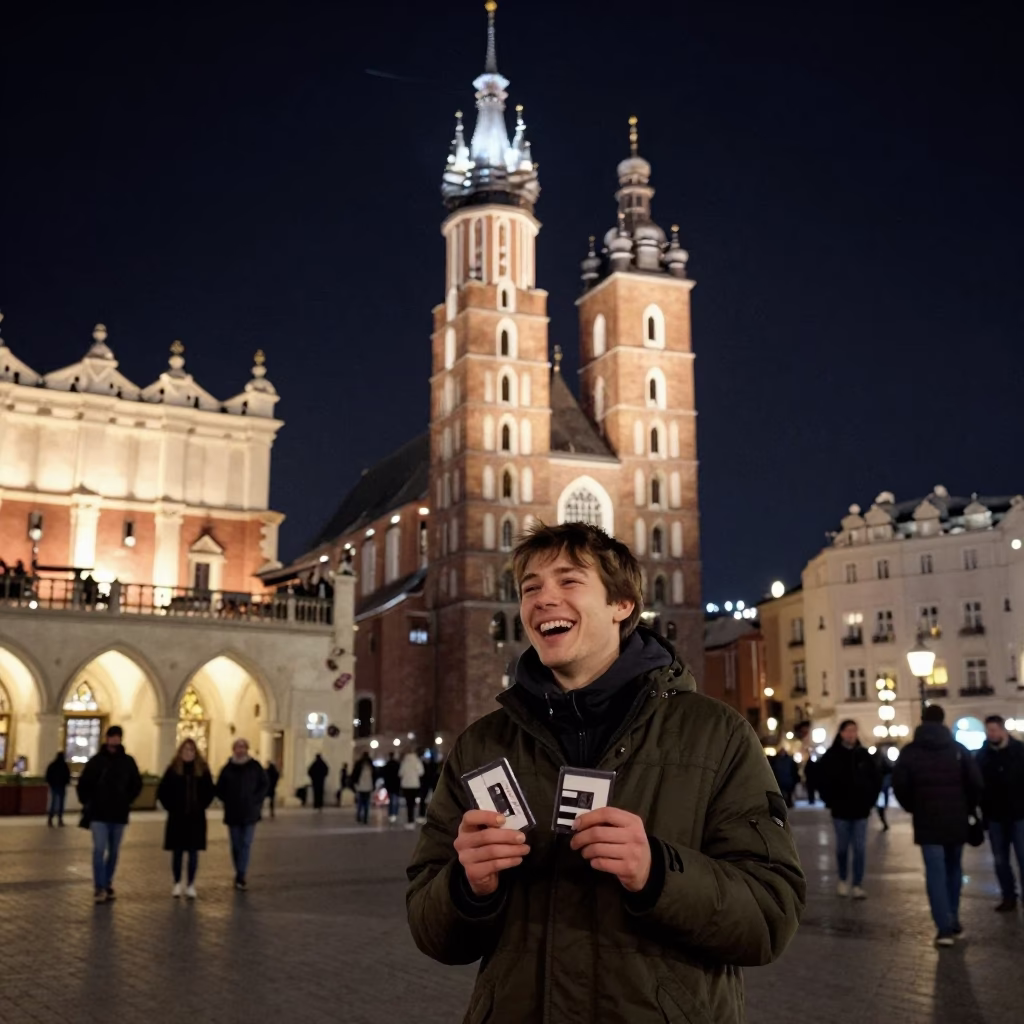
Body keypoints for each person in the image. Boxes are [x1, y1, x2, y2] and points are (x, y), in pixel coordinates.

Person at [407, 523, 805, 1021]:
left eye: (569, 582)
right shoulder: (484, 745)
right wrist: (467, 887)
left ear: (622, 605)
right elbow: (430, 928)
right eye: (530, 588)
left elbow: (771, 914)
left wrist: (659, 872)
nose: (543, 598)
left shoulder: (714, 735)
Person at [893, 704, 983, 946]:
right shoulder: (958, 749)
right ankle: (953, 916)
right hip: (956, 819)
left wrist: (915, 806)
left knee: (935, 873)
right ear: (943, 721)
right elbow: (975, 783)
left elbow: (899, 784)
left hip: (927, 820)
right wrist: (967, 807)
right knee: (954, 868)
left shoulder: (910, 751)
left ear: (922, 721)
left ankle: (943, 928)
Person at [76, 725, 142, 904]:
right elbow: (83, 784)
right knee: (99, 850)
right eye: (111, 736)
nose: (114, 740)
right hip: (98, 813)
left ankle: (107, 881)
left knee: (113, 852)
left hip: (119, 814)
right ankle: (99, 886)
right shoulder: (96, 761)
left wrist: (127, 800)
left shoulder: (128, 761)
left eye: (117, 737)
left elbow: (137, 783)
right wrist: (88, 802)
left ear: (120, 739)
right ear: (106, 739)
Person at [817, 720, 881, 898]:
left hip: (861, 809)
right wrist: (829, 799)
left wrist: (870, 800)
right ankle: (843, 879)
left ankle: (857, 883)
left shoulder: (863, 755)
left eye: (854, 730)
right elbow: (822, 779)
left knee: (860, 848)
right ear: (842, 733)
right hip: (841, 810)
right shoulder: (832, 755)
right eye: (848, 731)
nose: (852, 734)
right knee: (842, 848)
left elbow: (876, 779)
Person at [975, 715, 1024, 912]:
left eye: (994, 730)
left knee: (1023, 858)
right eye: (988, 731)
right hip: (995, 815)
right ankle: (1008, 896)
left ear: (1003, 730)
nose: (991, 734)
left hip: (1020, 814)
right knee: (1000, 860)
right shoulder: (983, 755)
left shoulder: (1020, 751)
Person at [157, 738, 215, 898]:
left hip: (195, 819)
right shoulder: (173, 770)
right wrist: (171, 806)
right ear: (180, 752)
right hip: (177, 818)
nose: (188, 753)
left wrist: (201, 805)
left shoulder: (202, 770)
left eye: (191, 750)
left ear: (195, 752)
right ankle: (176, 883)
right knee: (177, 853)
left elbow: (210, 791)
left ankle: (190, 884)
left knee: (193, 853)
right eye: (185, 750)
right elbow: (163, 791)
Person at [215, 739, 269, 891]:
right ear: (233, 750)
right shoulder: (227, 768)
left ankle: (241, 874)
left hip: (250, 812)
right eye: (237, 747)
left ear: (247, 749)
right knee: (236, 845)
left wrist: (256, 799)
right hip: (233, 812)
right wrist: (228, 799)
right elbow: (219, 788)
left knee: (246, 843)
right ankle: (239, 871)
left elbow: (264, 784)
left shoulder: (255, 767)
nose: (240, 750)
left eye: (243, 747)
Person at [399, 749, 425, 830]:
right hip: (415, 784)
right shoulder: (417, 760)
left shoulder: (404, 761)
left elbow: (400, 773)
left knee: (408, 804)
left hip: (406, 785)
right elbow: (421, 772)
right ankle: (414, 819)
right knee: (413, 803)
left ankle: (410, 821)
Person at [45, 750, 71, 827]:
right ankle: (60, 819)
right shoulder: (64, 765)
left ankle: (50, 818)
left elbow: (48, 775)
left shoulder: (52, 765)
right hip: (62, 786)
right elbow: (67, 776)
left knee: (53, 802)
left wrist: (50, 783)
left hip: (54, 786)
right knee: (61, 803)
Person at [353, 752, 375, 824]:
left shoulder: (359, 764)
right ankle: (365, 817)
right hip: (368, 786)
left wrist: (355, 784)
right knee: (366, 803)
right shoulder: (371, 766)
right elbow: (374, 776)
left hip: (360, 786)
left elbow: (354, 775)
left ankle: (359, 816)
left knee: (360, 802)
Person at [875, 752, 893, 832]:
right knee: (880, 807)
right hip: (880, 787)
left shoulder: (882, 763)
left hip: (880, 787)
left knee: (880, 807)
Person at [382, 751, 401, 824]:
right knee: (395, 800)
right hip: (396, 785)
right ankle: (395, 813)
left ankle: (391, 814)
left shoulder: (387, 765)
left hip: (389, 785)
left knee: (391, 800)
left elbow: (384, 775)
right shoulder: (397, 764)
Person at [418, 756, 439, 820]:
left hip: (426, 784)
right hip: (432, 784)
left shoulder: (424, 766)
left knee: (423, 800)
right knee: (434, 800)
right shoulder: (434, 767)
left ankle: (422, 815)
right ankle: (434, 815)